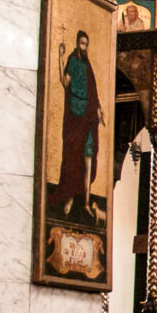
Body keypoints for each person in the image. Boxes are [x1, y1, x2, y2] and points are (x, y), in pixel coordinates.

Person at [55, 30, 103, 222]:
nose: (84, 47)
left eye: (86, 44)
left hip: (90, 115)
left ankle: (86, 200)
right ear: (77, 43)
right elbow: (65, 82)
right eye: (82, 43)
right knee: (74, 157)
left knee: (89, 155)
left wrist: (99, 107)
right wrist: (60, 58)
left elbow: (94, 89)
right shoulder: (73, 62)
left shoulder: (87, 63)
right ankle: (69, 198)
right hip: (76, 113)